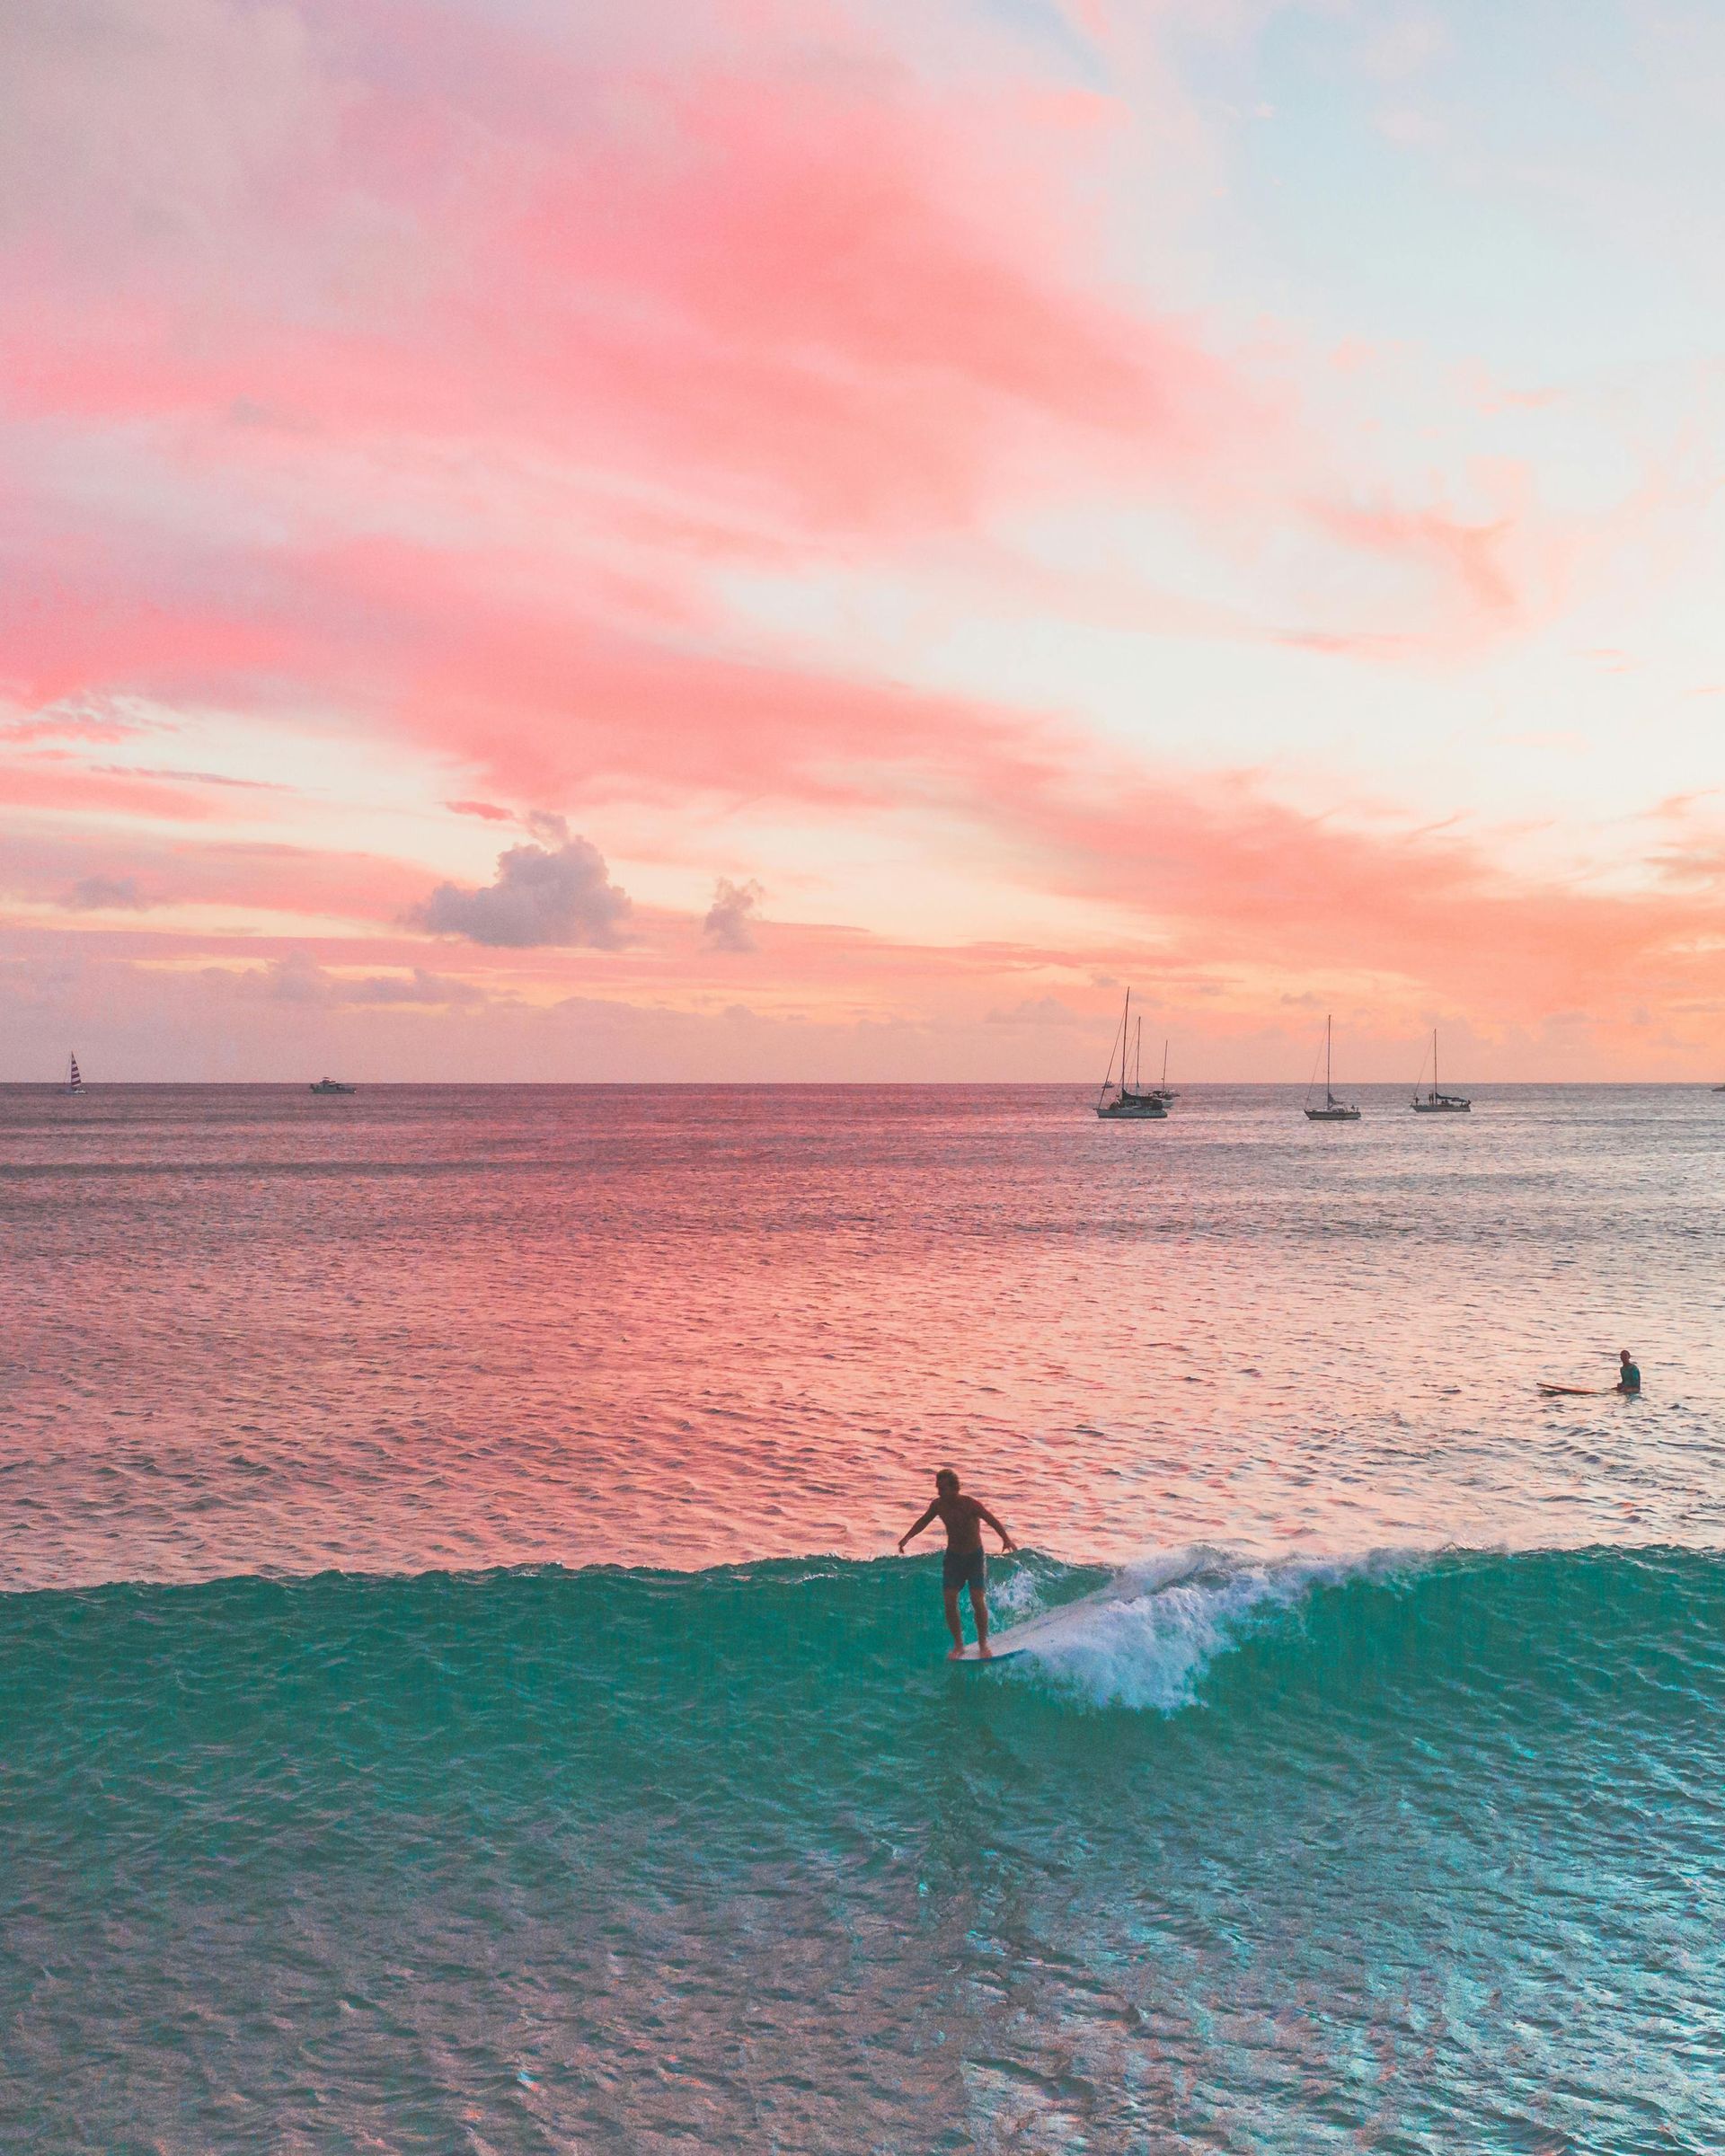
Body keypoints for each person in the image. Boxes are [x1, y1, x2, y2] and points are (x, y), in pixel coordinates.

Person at [898, 1468, 1017, 1660]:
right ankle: (959, 1646)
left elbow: (991, 1519)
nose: (939, 1492)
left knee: (977, 1600)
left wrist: (1006, 1539)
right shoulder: (938, 1505)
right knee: (949, 1600)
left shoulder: (970, 1504)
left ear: (955, 1488)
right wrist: (907, 1538)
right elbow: (923, 1521)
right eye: (938, 1488)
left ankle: (983, 1645)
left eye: (943, 1489)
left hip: (974, 1557)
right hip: (954, 1558)